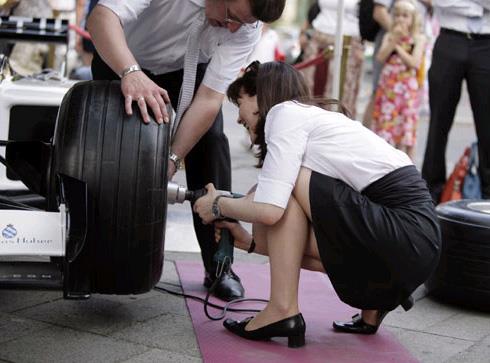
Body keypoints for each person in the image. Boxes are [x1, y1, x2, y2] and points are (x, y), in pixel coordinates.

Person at [194, 61, 441, 347]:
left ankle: (282, 310)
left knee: (278, 190)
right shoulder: (318, 122)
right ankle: (372, 309)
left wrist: (218, 204)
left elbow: (270, 211)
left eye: (240, 101)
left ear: (260, 95)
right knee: (274, 190)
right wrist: (249, 241)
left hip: (403, 230)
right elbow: (300, 236)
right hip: (416, 243)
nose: (238, 118)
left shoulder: (284, 113)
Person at [86, 0, 286, 302]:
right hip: (121, 57)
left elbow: (208, 100)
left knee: (212, 141)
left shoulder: (246, 26)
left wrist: (172, 159)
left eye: (242, 24)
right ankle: (91, 254)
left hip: (187, 71)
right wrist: (131, 72)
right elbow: (101, 17)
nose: (232, 28)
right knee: (105, 155)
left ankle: (219, 264)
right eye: (232, 16)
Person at [422, 0, 490, 202]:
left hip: (486, 44)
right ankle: (430, 195)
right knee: (437, 127)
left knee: (487, 127)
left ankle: (487, 198)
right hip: (450, 37)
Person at [372, 0, 426, 160]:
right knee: (386, 126)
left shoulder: (418, 39)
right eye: (397, 15)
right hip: (388, 88)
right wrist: (394, 41)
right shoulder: (389, 36)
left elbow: (414, 63)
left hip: (407, 90)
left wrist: (398, 47)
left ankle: (406, 165)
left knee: (405, 129)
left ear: (413, 19)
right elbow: (380, 57)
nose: (401, 19)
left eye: (405, 16)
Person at [307, 0, 365, 117]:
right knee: (312, 91)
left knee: (340, 96)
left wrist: (362, 44)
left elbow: (368, 16)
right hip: (319, 38)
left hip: (348, 43)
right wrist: (304, 32)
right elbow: (315, 9)